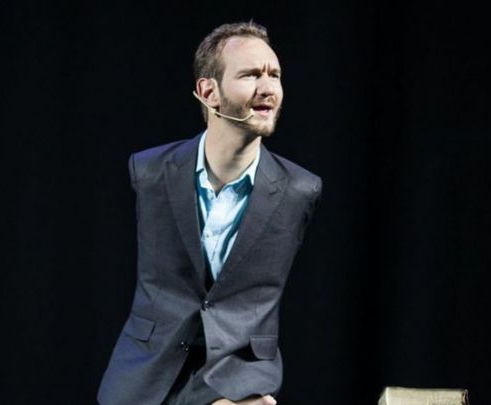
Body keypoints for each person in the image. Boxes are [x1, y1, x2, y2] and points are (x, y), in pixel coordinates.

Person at [97, 21, 322, 405]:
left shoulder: (300, 190)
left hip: (238, 375)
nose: (268, 88)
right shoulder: (150, 172)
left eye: (275, 75)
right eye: (251, 75)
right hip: (145, 375)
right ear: (208, 92)